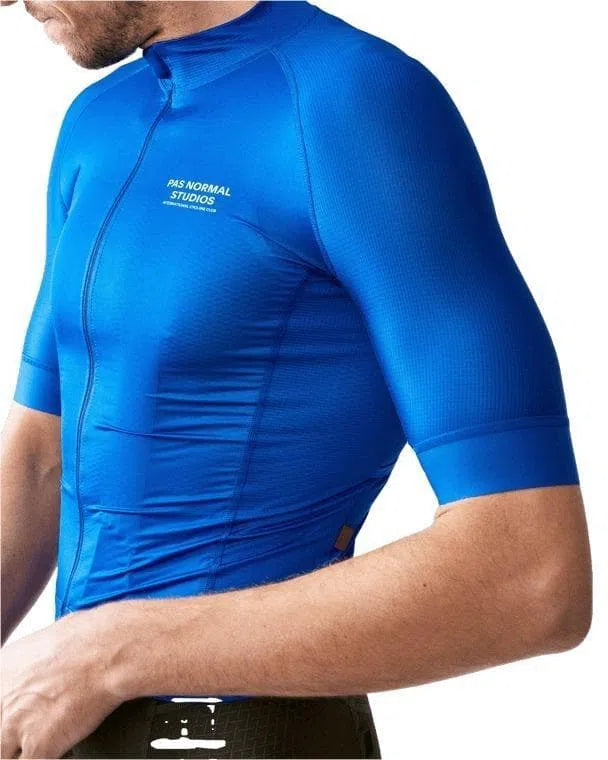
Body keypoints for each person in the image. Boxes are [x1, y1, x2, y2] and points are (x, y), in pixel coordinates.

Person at [0, 1, 592, 758]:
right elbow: (42, 452)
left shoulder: (355, 103)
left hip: (245, 734)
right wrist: (80, 668)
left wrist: (104, 654)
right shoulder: (98, 121)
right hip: (71, 731)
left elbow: (531, 573)